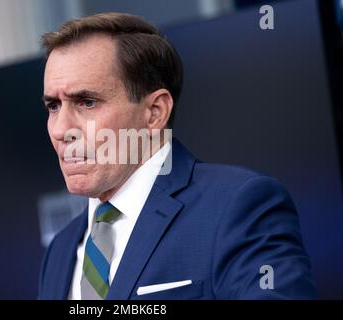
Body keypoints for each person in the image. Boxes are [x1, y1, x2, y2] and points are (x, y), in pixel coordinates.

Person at [38, 12, 316, 300]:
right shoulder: (61, 249)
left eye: (87, 102)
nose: (61, 129)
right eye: (53, 106)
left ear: (155, 112)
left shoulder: (237, 207)